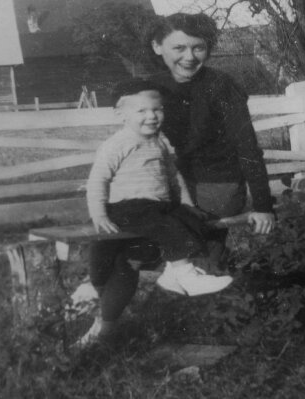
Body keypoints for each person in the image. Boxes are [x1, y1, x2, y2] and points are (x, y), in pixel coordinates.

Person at [79, 78, 233, 346]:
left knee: (189, 220)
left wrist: (186, 204)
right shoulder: (118, 144)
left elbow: (174, 178)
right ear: (121, 114)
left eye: (157, 110)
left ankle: (176, 273)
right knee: (164, 225)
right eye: (141, 111)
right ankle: (183, 272)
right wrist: (99, 215)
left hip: (156, 205)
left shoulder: (160, 143)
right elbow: (97, 181)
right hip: (126, 207)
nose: (151, 116)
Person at [148, 13, 276, 272]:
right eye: (179, 47)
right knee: (133, 246)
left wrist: (263, 205)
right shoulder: (151, 89)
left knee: (200, 258)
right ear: (157, 46)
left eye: (198, 47)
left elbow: (247, 146)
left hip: (217, 182)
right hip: (169, 182)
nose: (189, 56)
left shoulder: (221, 86)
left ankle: (212, 288)